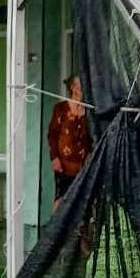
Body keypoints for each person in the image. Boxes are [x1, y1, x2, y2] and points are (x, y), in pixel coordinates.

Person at [47, 74, 92, 210]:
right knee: (61, 199)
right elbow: (52, 135)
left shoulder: (89, 112)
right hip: (64, 165)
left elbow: (91, 139)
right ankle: (56, 229)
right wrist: (55, 158)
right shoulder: (60, 109)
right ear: (73, 88)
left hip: (82, 165)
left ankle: (79, 230)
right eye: (80, 86)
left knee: (81, 201)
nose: (83, 90)